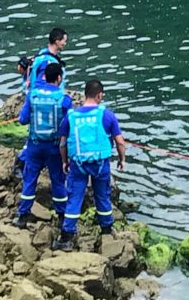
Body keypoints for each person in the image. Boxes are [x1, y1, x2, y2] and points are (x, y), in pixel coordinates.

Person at [55, 79, 126, 251]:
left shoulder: (71, 116)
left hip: (78, 165)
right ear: (99, 95)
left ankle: (67, 238)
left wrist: (65, 161)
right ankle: (107, 230)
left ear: (85, 94)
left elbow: (62, 143)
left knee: (74, 198)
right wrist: (122, 159)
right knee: (102, 197)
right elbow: (119, 141)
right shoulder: (107, 115)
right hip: (100, 165)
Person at [13, 63, 73, 229]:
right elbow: (70, 126)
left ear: (44, 77)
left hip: (34, 146)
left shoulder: (32, 95)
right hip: (55, 149)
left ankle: (22, 216)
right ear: (59, 78)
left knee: (30, 180)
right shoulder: (65, 99)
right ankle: (62, 217)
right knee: (58, 182)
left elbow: (23, 119)